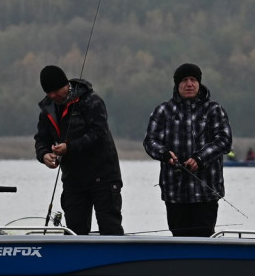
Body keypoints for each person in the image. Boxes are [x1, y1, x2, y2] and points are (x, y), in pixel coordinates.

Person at [143, 63, 233, 237]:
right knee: (179, 242)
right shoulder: (163, 110)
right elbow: (150, 141)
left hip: (206, 192)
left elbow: (224, 141)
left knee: (204, 242)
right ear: (177, 85)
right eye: (184, 80)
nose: (189, 84)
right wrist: (164, 154)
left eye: (193, 80)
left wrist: (200, 159)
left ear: (199, 83)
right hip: (174, 192)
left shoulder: (214, 110)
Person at [34, 64, 123, 235]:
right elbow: (41, 139)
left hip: (103, 177)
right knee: (74, 230)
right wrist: (44, 154)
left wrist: (69, 147)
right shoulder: (47, 110)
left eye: (55, 90)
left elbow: (99, 133)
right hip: (73, 180)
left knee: (110, 227)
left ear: (66, 85)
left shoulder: (92, 101)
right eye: (48, 92)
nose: (52, 95)